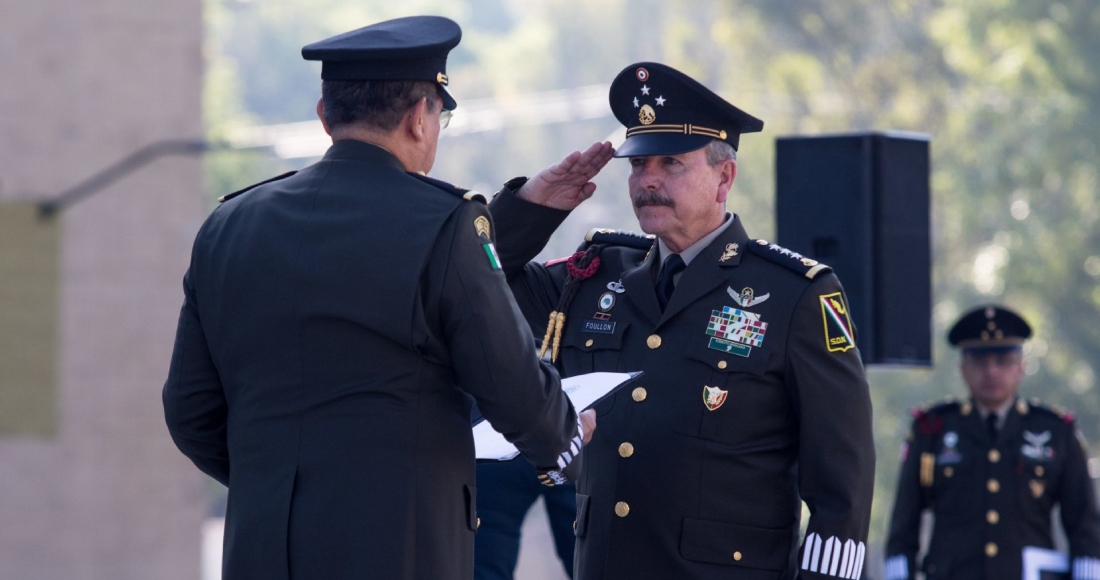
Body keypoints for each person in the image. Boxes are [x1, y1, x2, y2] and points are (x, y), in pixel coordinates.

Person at [162, 16, 605, 580]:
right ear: (420, 117)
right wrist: (564, 435)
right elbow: (512, 384)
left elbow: (190, 411)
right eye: (441, 116)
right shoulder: (443, 223)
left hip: (263, 549)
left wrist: (278, 483)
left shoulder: (228, 226)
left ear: (325, 117)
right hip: (401, 549)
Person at [487, 62, 876, 580]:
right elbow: (475, 283)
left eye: (671, 163)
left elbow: (841, 490)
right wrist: (532, 208)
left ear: (724, 177)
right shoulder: (594, 277)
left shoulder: (794, 295)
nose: (648, 181)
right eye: (638, 164)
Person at [884, 305, 1100, 580]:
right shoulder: (932, 430)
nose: (991, 372)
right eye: (980, 361)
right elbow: (904, 524)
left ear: (1021, 367)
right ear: (963, 369)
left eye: (1002, 360)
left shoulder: (1056, 431)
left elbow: (1085, 526)